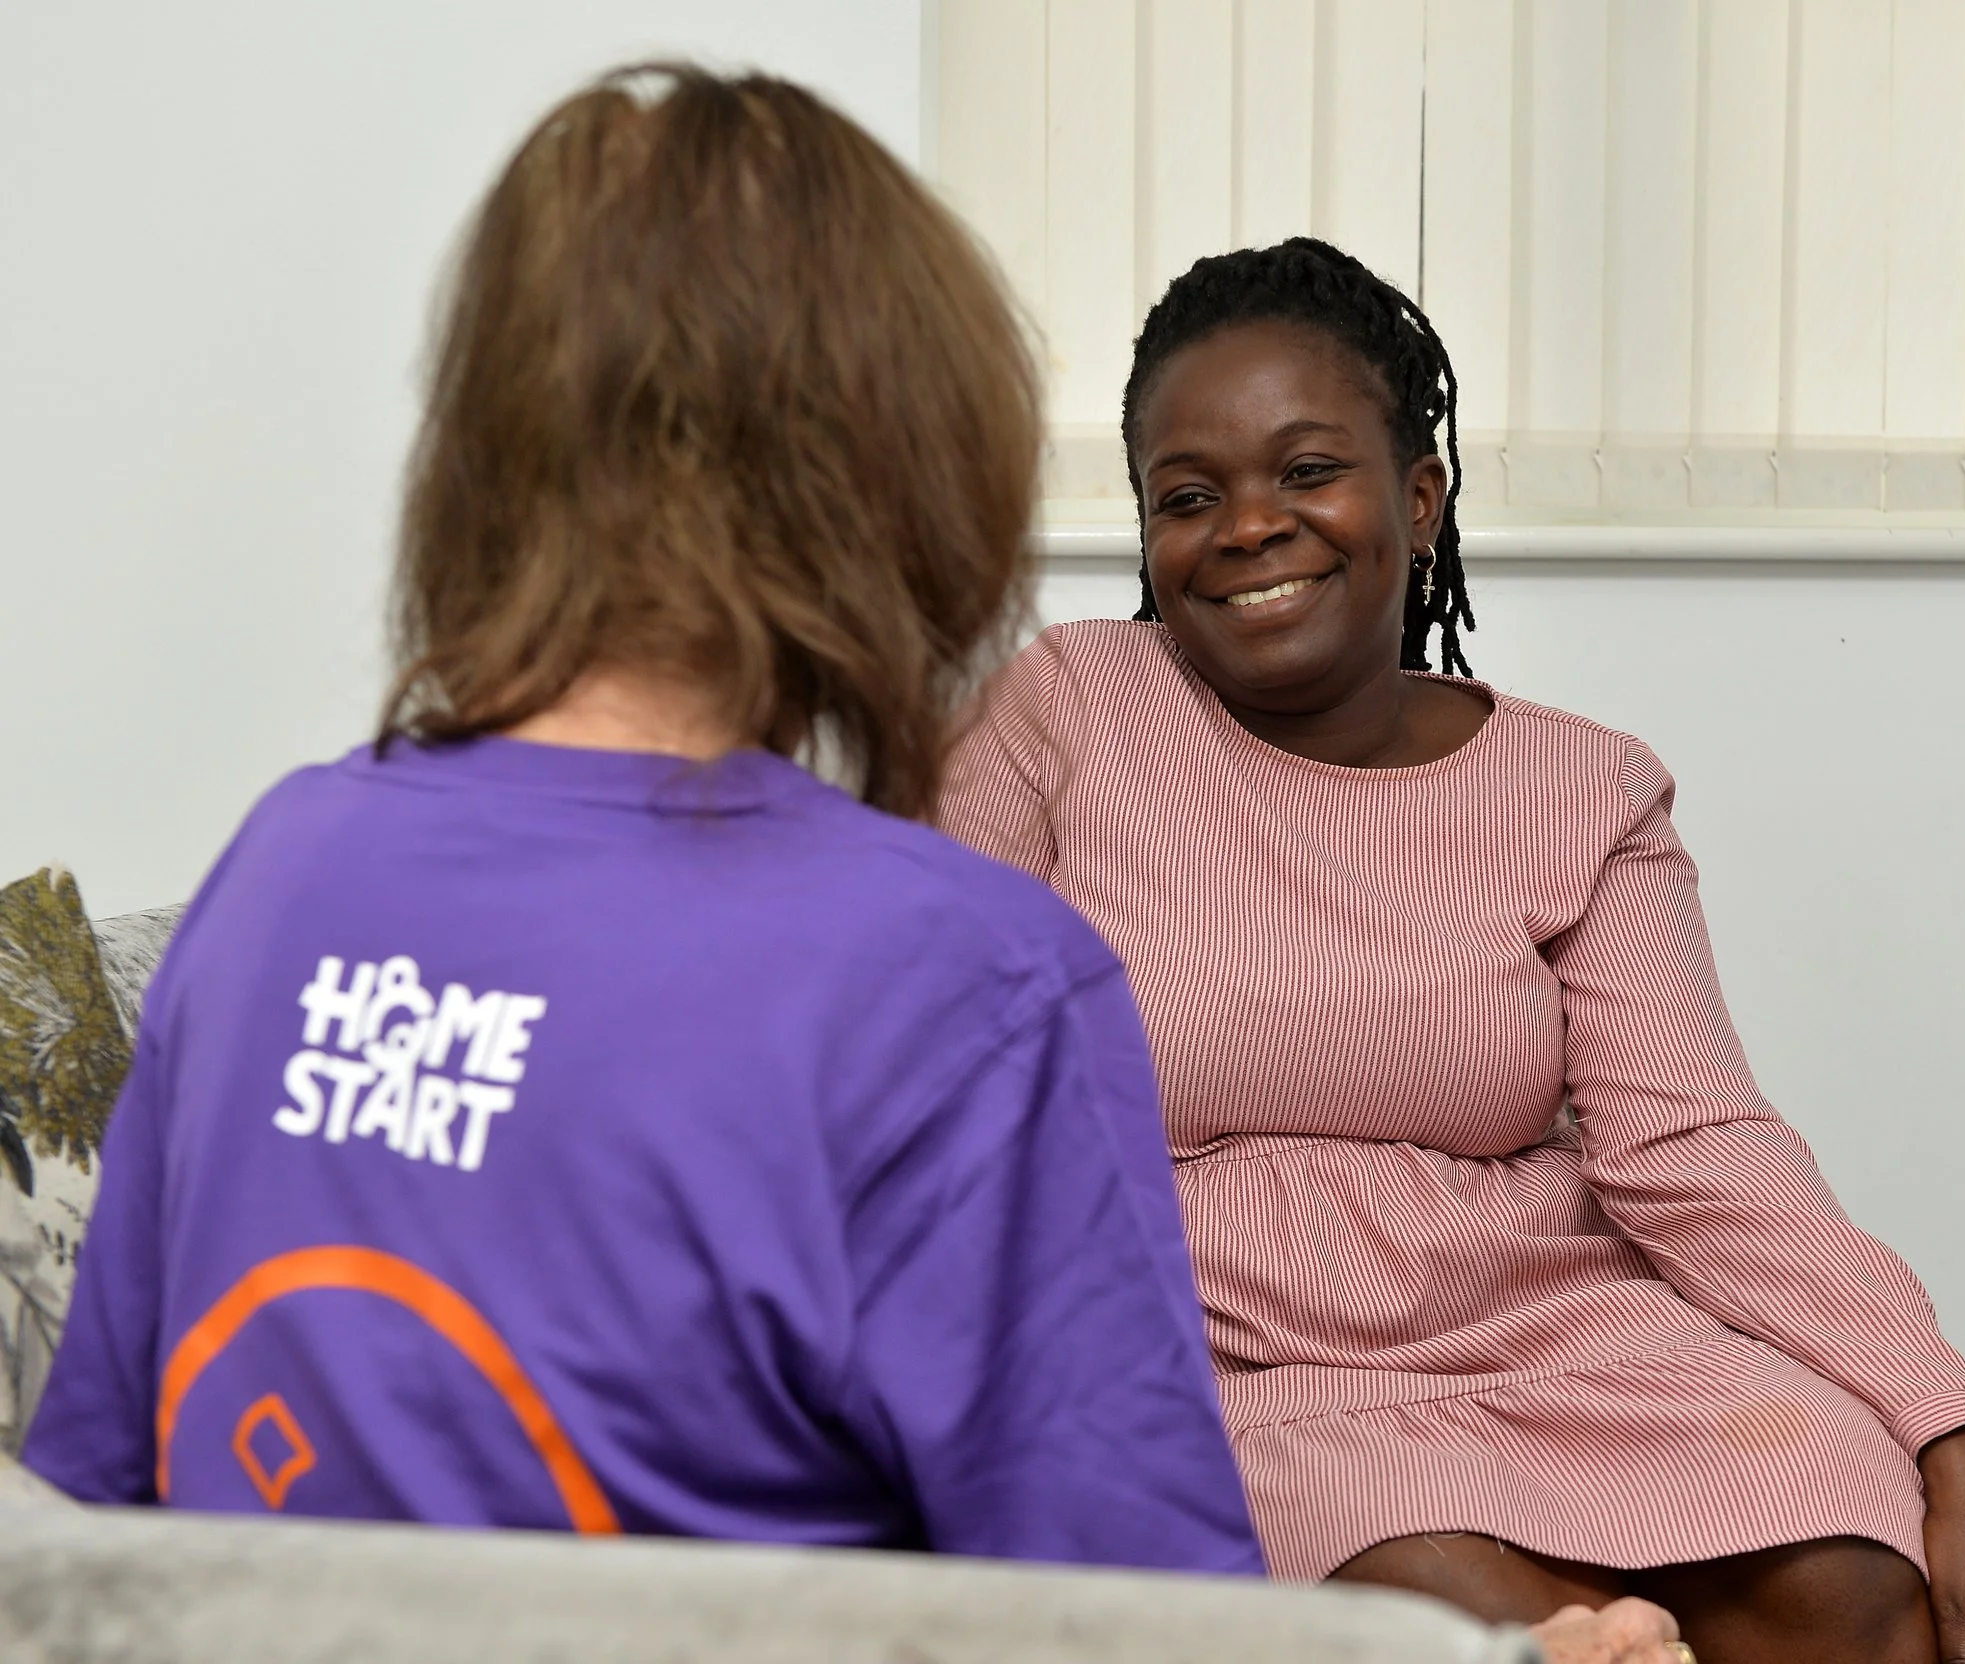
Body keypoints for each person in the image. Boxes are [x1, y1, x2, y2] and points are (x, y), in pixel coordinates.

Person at [21, 64, 1263, 1574]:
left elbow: (85, 1537)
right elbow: (1150, 1632)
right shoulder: (966, 985)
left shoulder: (283, 868)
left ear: (490, 448)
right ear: (900, 462)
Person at [939, 238, 1965, 1662]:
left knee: (1860, 1590)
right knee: (1478, 1620)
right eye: (1188, 496)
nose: (1246, 526)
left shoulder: (1582, 790)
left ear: (1418, 499)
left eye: (1307, 471)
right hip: (1230, 1358)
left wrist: (1961, 1431)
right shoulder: (1069, 712)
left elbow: (1699, 1146)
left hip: (1566, 1337)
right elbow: (918, 1052)